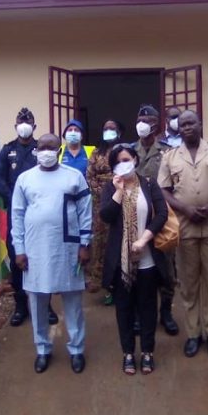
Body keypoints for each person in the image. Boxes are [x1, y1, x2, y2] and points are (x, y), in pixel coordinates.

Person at [11, 133, 92, 374]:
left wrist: (85, 244)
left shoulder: (74, 176)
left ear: (59, 149)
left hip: (67, 248)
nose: (46, 150)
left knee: (73, 301)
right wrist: (19, 249)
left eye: (51, 146)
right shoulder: (25, 179)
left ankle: (76, 349)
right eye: (42, 146)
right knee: (37, 300)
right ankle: (42, 348)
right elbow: (16, 215)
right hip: (35, 249)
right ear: (36, 149)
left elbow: (86, 212)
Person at [158, 110, 208, 359]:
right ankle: (193, 333)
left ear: (200, 124)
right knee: (188, 283)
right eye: (183, 124)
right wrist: (185, 208)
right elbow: (164, 190)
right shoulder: (169, 157)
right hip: (185, 225)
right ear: (178, 128)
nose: (187, 126)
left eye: (191, 122)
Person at [100, 144, 168, 375]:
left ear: (136, 159)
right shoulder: (110, 187)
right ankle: (128, 352)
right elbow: (106, 216)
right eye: (118, 162)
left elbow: (161, 214)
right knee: (124, 309)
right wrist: (119, 192)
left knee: (148, 307)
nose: (123, 164)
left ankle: (147, 352)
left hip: (148, 259)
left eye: (127, 159)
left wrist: (144, 239)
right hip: (121, 262)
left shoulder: (149, 184)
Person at [0, 107, 58, 327]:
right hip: (16, 212)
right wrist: (15, 200)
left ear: (34, 126)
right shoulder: (7, 150)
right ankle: (20, 306)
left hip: (40, 212)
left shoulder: (40, 149)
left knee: (43, 256)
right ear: (15, 126)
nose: (24, 124)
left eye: (28, 120)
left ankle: (46, 305)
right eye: (21, 120)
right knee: (16, 258)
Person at [134, 104, 178, 336]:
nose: (142, 123)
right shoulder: (129, 151)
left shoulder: (168, 151)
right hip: (136, 217)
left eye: (147, 119)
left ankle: (167, 312)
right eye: (140, 119)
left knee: (166, 268)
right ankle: (141, 314)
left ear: (156, 124)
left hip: (162, 217)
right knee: (140, 268)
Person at [86, 119, 124, 300]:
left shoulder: (124, 151)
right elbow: (90, 176)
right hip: (101, 203)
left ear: (119, 132)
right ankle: (100, 280)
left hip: (122, 200)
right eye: (106, 128)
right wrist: (105, 194)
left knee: (117, 240)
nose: (108, 131)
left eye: (112, 128)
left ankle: (119, 281)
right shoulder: (96, 152)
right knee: (100, 242)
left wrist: (116, 193)